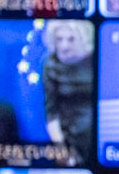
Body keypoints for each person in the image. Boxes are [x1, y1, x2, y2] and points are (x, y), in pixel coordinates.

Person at [42, 20, 97, 164]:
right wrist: (62, 151)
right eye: (59, 39)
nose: (64, 46)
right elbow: (51, 114)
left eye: (71, 39)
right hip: (70, 141)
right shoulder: (50, 65)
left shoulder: (95, 59)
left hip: (96, 138)